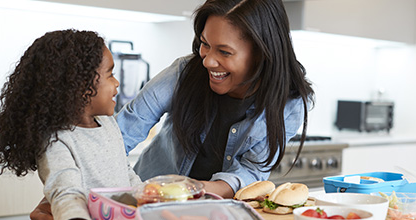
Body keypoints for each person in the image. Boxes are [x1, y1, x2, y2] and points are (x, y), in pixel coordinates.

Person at [30, 0, 315, 218]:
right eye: (205, 44)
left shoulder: (289, 103)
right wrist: (67, 196)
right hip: (149, 206)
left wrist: (195, 192)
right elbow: (125, 131)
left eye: (224, 52)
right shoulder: (183, 73)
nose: (208, 61)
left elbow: (253, 170)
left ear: (262, 53)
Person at [0, 29, 141, 220]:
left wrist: (150, 194)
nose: (116, 82)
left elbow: (126, 173)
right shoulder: (56, 139)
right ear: (81, 85)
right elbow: (66, 194)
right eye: (110, 74)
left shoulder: (108, 124)